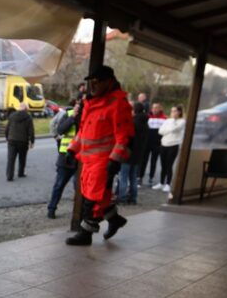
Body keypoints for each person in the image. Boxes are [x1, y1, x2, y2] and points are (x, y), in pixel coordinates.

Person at [66, 65, 133, 246]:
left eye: (97, 82)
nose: (92, 87)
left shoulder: (118, 103)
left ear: (108, 82)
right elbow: (83, 132)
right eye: (91, 83)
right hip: (88, 160)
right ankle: (115, 219)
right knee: (96, 194)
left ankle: (85, 234)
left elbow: (124, 136)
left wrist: (115, 159)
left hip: (104, 161)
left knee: (92, 198)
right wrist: (72, 149)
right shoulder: (91, 103)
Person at [46, 100, 80, 218]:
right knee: (59, 184)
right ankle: (52, 209)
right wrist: (73, 118)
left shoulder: (88, 116)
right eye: (77, 106)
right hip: (66, 156)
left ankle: (79, 210)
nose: (78, 108)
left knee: (79, 186)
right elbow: (60, 129)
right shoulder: (69, 113)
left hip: (81, 157)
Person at [118, 102, 149, 205]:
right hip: (138, 154)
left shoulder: (132, 123)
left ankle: (122, 197)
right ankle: (133, 198)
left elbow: (127, 138)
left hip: (128, 153)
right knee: (133, 177)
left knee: (123, 177)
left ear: (134, 111)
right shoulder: (145, 124)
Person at [157, 105, 185, 193]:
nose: (173, 113)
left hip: (173, 144)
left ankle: (168, 184)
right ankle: (161, 182)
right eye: (172, 111)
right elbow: (160, 131)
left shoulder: (182, 121)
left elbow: (175, 129)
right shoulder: (167, 120)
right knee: (163, 164)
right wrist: (168, 129)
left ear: (179, 112)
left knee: (169, 165)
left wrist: (170, 125)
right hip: (164, 143)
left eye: (175, 111)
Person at [4, 102, 34, 181]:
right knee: (22, 158)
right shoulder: (28, 117)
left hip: (12, 140)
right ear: (26, 109)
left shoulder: (12, 116)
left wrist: (7, 137)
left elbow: (7, 128)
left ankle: (9, 176)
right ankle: (21, 172)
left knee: (11, 158)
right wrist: (32, 141)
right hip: (23, 141)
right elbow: (31, 130)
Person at [142, 102, 166, 188]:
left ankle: (151, 177)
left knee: (154, 161)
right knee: (144, 160)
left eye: (157, 108)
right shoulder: (147, 117)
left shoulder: (164, 118)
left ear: (160, 109)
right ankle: (140, 177)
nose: (155, 109)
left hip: (157, 144)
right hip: (147, 143)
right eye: (153, 108)